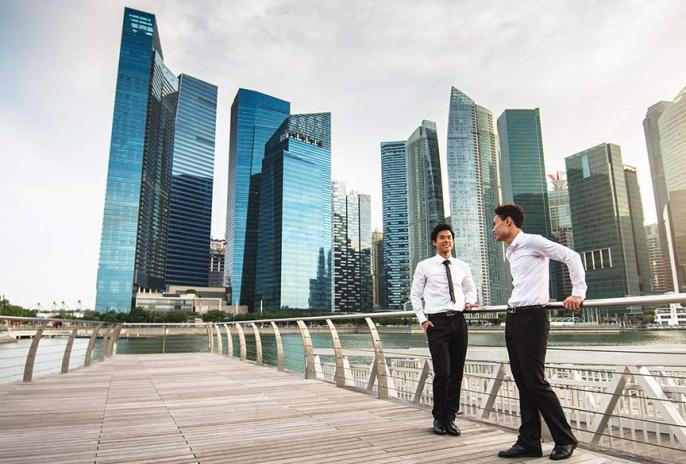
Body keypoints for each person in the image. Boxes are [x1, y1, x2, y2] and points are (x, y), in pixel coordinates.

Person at [492, 204, 586, 461]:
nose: (493, 229)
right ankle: (529, 442)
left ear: (508, 222)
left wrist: (578, 292)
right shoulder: (511, 252)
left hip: (533, 318)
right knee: (522, 381)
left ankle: (565, 439)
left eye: (494, 223)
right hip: (514, 317)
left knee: (535, 380)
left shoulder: (533, 242)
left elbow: (572, 256)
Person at [410, 223, 478, 436]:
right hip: (436, 324)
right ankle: (438, 418)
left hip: (458, 321)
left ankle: (450, 418)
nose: (446, 240)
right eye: (442, 237)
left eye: (449, 237)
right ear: (434, 242)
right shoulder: (425, 266)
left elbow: (470, 289)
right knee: (443, 373)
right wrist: (423, 320)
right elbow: (415, 295)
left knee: (457, 373)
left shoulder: (461, 266)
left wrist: (470, 301)